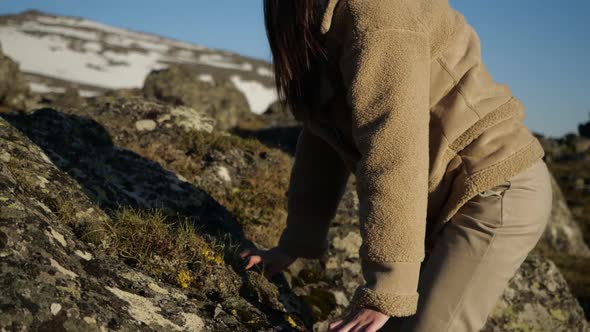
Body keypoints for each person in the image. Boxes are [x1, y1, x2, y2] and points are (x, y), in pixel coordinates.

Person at [239, 0, 553, 331]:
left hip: (492, 188)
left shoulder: (378, 12)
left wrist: (388, 287)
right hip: (439, 196)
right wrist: (296, 243)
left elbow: (394, 145)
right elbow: (324, 135)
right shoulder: (305, 10)